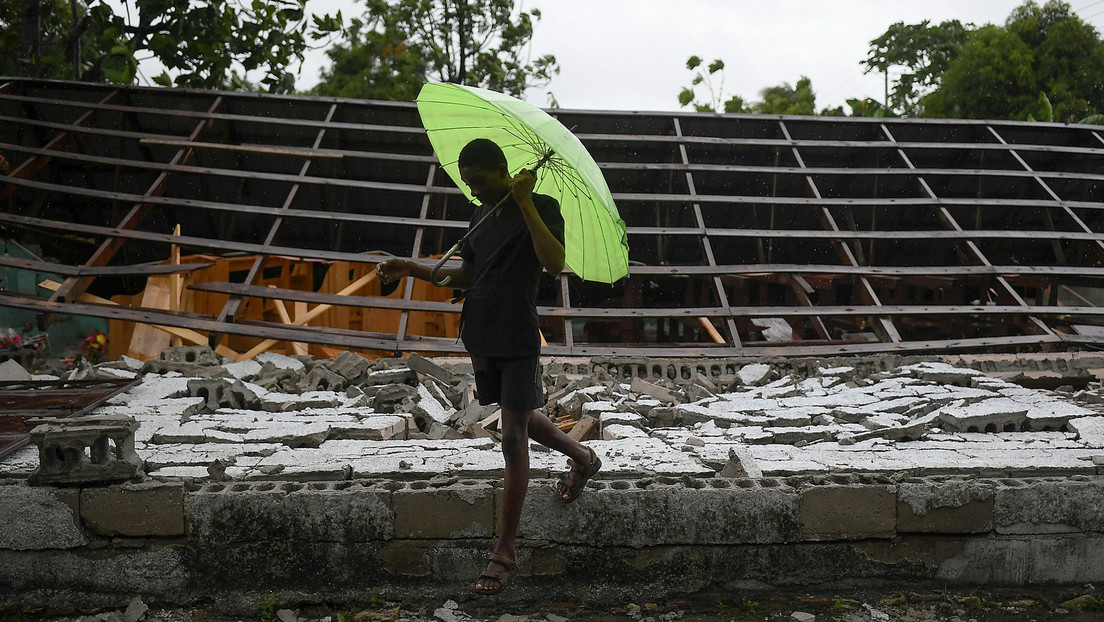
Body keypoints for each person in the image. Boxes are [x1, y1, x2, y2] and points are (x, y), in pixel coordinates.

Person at [375, 138, 601, 596]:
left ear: (502, 170)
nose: (473, 191)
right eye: (468, 184)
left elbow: (554, 262)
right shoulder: (480, 214)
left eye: (479, 182)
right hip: (480, 329)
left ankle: (505, 552)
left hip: (518, 331)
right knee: (518, 413)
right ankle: (583, 456)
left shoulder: (541, 204)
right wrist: (412, 268)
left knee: (513, 436)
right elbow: (469, 275)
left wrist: (523, 202)